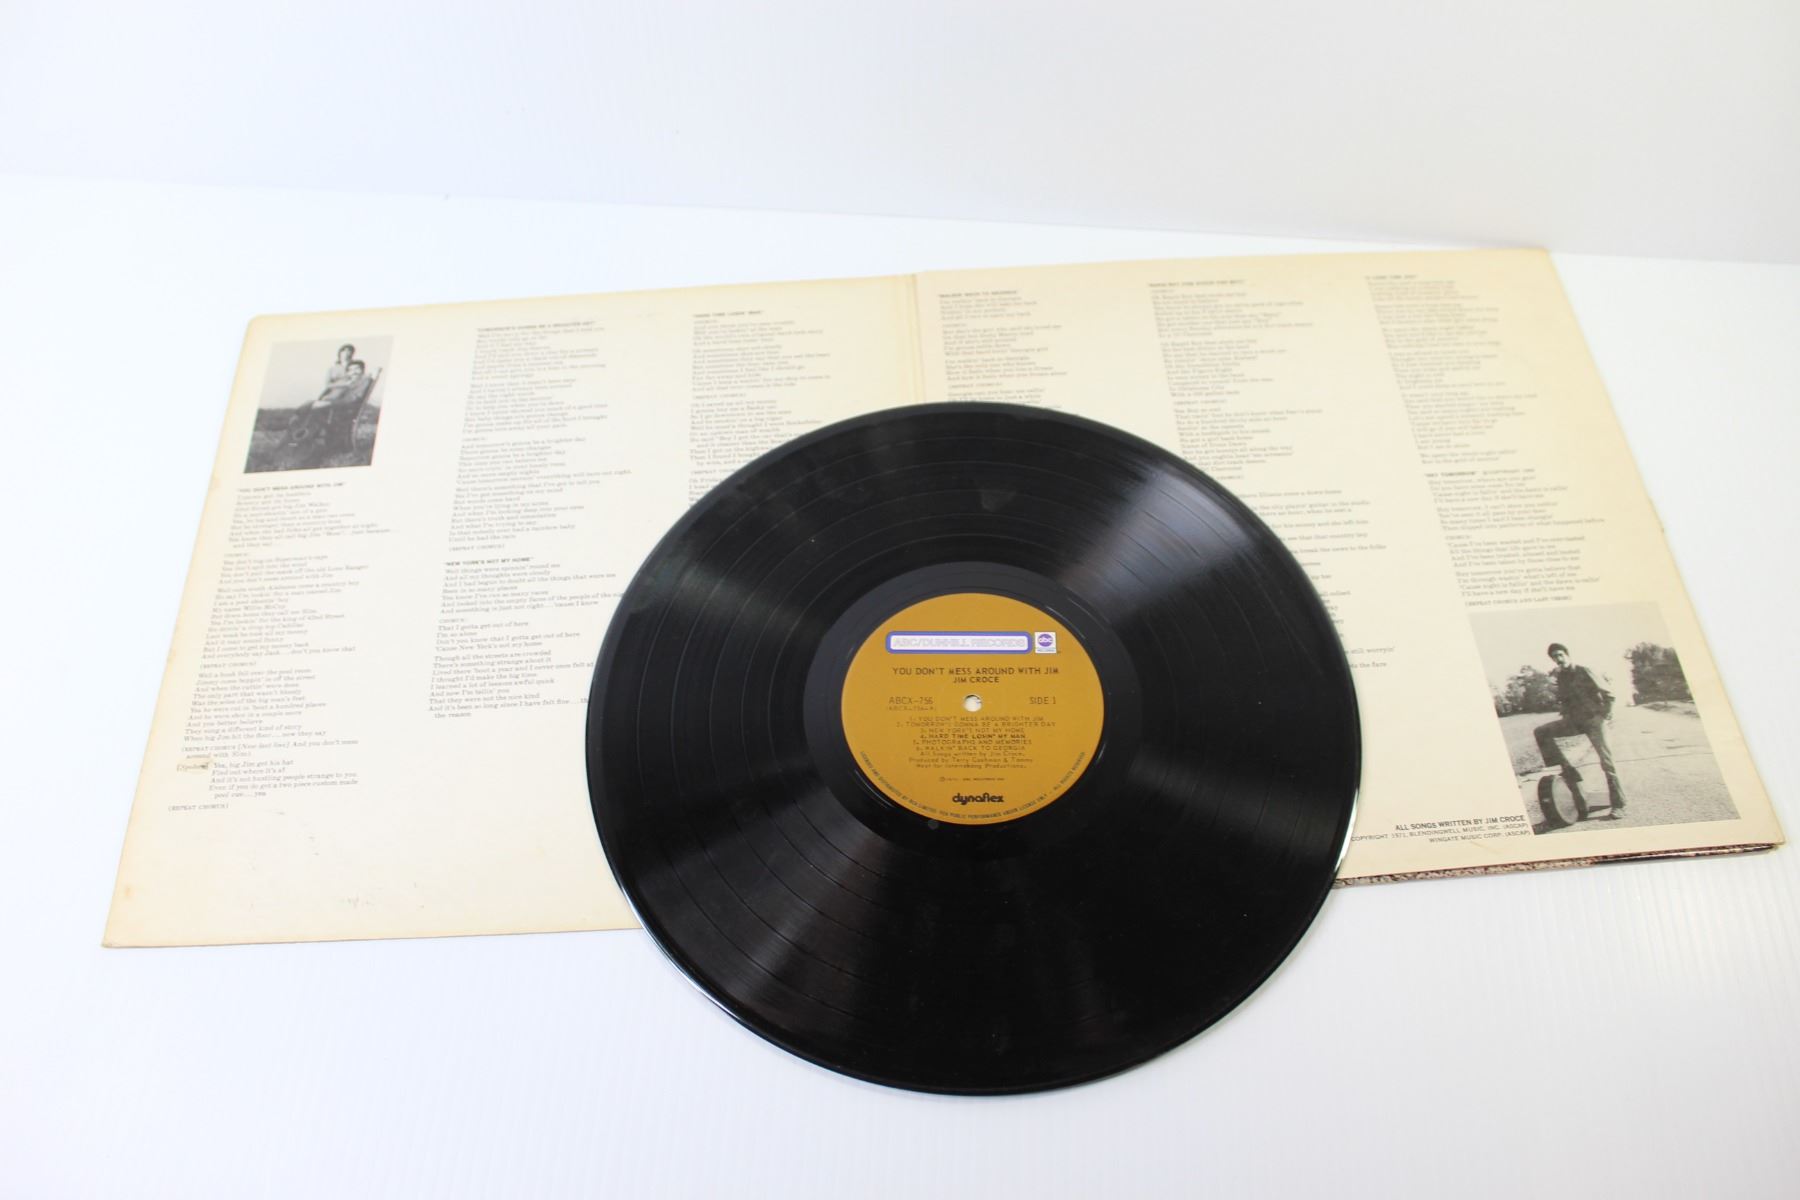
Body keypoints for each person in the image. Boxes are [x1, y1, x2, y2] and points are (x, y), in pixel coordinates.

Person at [1533, 642, 1626, 819]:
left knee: (1607, 763)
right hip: (1575, 722)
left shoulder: (1584, 671)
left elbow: (1609, 695)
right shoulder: (1561, 677)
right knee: (1541, 732)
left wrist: (1604, 715)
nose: (1558, 659)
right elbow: (1565, 701)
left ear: (1567, 655)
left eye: (1560, 655)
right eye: (1555, 657)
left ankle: (1619, 805)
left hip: (1594, 722)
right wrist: (1566, 713)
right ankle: (1569, 772)